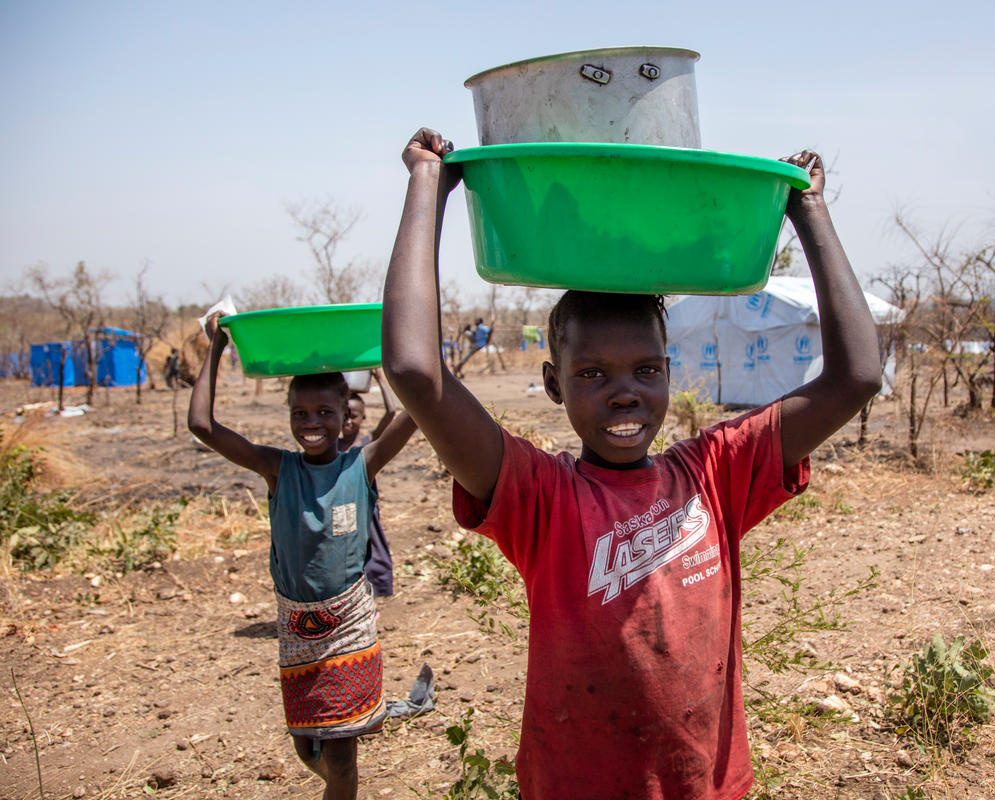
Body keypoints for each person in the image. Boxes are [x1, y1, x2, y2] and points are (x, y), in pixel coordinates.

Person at [381, 128, 881, 800]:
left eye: (647, 369)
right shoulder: (541, 498)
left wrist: (808, 211)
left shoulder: (718, 473)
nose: (626, 391)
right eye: (593, 372)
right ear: (555, 384)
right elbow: (414, 369)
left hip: (705, 785)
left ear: (671, 373)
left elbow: (856, 377)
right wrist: (428, 188)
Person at [188, 314, 418, 800]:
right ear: (290, 416)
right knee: (304, 745)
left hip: (350, 625)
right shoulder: (277, 468)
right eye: (301, 414)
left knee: (340, 756)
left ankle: (342, 784)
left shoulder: (362, 465)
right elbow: (202, 425)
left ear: (345, 413)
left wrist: (397, 351)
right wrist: (216, 347)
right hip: (296, 626)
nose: (312, 424)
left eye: (324, 413)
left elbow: (414, 410)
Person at [338, 369, 399, 597]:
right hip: (340, 510)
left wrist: (380, 379)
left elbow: (391, 412)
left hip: (365, 508)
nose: (347, 420)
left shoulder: (366, 443)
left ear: (363, 417)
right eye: (342, 414)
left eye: (353, 415)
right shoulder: (330, 449)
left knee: (373, 547)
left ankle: (378, 588)